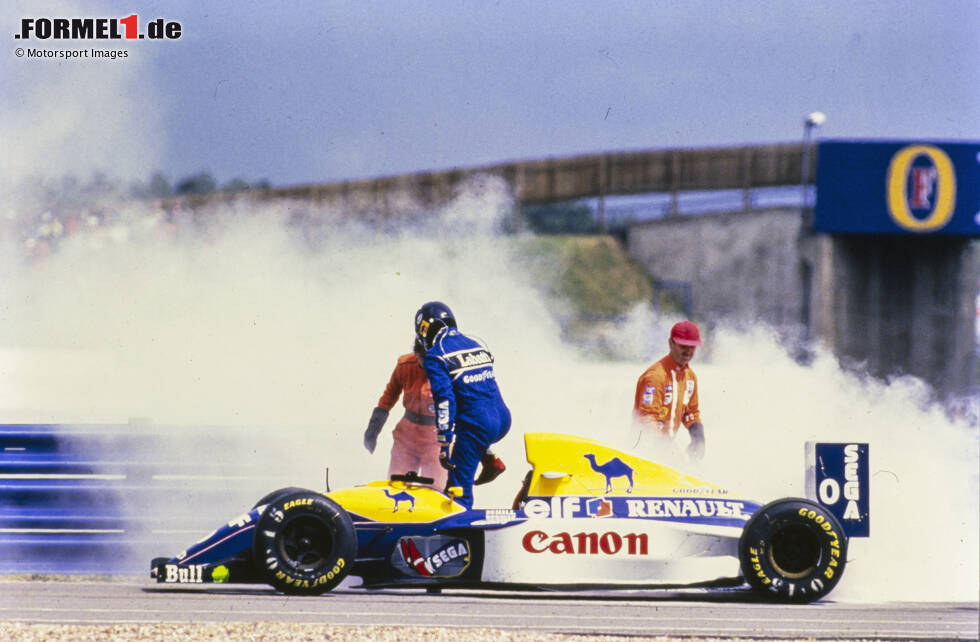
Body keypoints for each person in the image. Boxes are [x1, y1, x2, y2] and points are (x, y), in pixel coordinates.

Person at [363, 337, 506, 490]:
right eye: (423, 359)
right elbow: (389, 395)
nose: (428, 366)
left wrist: (486, 453)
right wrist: (373, 428)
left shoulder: (452, 371)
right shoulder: (405, 365)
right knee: (395, 488)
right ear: (416, 354)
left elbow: (469, 413)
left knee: (437, 492)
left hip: (436, 440)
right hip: (405, 437)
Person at [413, 301, 511, 508]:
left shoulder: (435, 355)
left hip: (478, 426)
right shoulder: (476, 344)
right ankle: (487, 455)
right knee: (467, 403)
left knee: (457, 491)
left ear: (425, 330)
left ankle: (459, 535)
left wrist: (444, 442)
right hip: (502, 418)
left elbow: (445, 400)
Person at [632, 320, 706, 460]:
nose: (688, 352)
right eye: (683, 346)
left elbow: (691, 413)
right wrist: (666, 449)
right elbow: (646, 419)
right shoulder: (656, 376)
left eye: (692, 347)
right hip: (644, 452)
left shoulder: (690, 377)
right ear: (671, 343)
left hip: (666, 450)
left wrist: (698, 439)